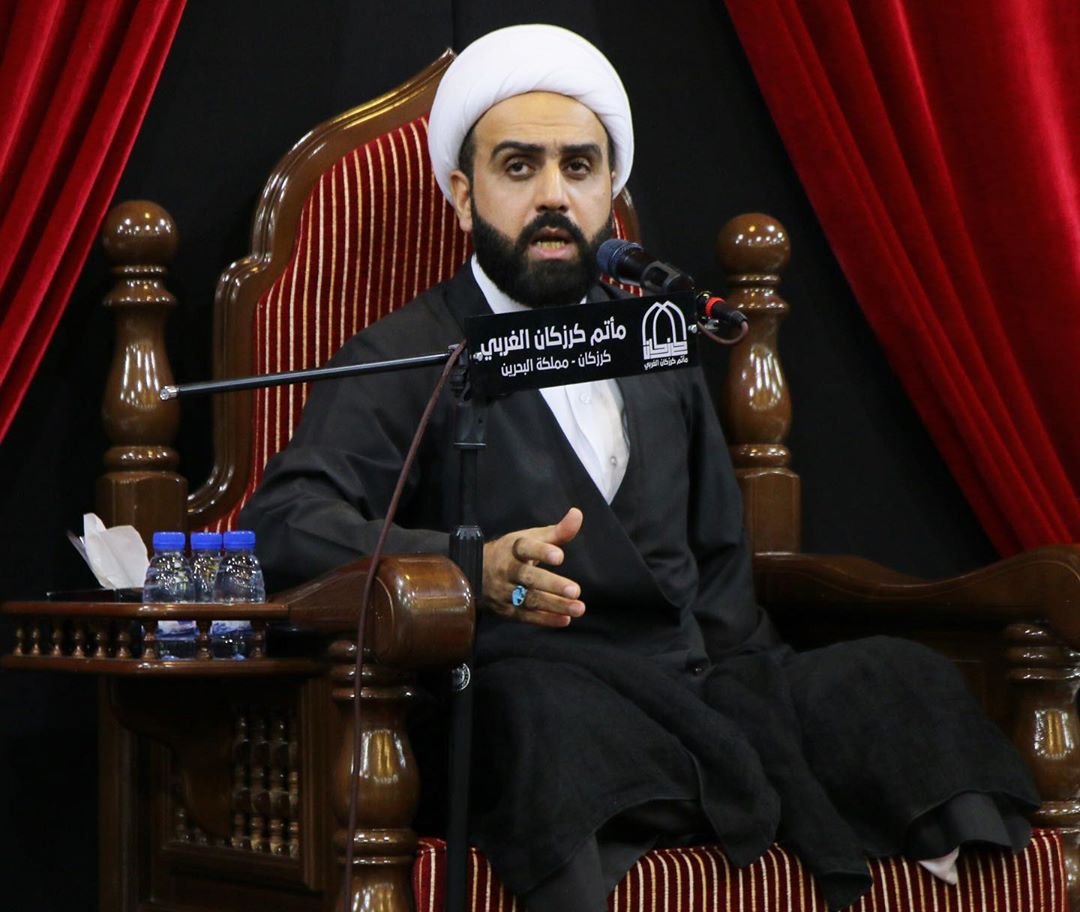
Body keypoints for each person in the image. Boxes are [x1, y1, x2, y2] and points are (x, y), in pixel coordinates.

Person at [239, 24, 1038, 912]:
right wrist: (472, 566)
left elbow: (720, 573)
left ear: (610, 194)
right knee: (544, 717)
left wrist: (767, 697)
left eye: (579, 167)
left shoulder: (656, 344)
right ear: (464, 195)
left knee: (897, 677)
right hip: (531, 686)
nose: (553, 195)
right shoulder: (406, 354)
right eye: (519, 166)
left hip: (693, 683)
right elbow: (287, 522)